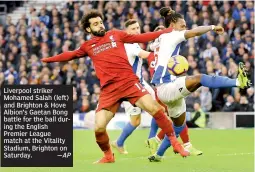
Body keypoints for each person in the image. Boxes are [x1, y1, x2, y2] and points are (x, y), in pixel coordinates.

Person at [41, 10, 190, 164]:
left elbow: (142, 37)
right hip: (109, 90)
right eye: (96, 24)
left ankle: (175, 144)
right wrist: (48, 60)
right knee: (98, 128)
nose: (100, 25)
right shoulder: (87, 46)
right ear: (88, 29)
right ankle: (108, 156)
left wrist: (168, 30)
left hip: (129, 83)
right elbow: (70, 55)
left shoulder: (115, 34)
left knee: (156, 109)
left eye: (100, 22)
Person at [147, 7, 250, 162]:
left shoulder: (162, 37)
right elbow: (194, 32)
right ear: (173, 24)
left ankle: (158, 155)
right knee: (200, 78)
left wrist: (169, 14)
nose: (185, 28)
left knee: (178, 125)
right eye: (182, 25)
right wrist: (212, 27)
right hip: (165, 86)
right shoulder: (172, 34)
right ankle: (238, 81)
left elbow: (155, 45)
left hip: (167, 86)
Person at [146, 25, 202, 156]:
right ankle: (181, 144)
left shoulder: (152, 52)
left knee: (169, 117)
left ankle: (156, 139)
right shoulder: (161, 52)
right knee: (177, 119)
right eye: (160, 32)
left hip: (161, 88)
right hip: (166, 87)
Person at [111, 19, 156, 154]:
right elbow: (146, 55)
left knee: (158, 109)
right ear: (126, 32)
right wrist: (162, 54)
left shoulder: (134, 43)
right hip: (131, 88)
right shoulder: (129, 45)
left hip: (141, 84)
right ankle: (118, 142)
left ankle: (152, 140)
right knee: (136, 121)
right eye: (133, 29)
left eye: (138, 27)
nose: (137, 31)